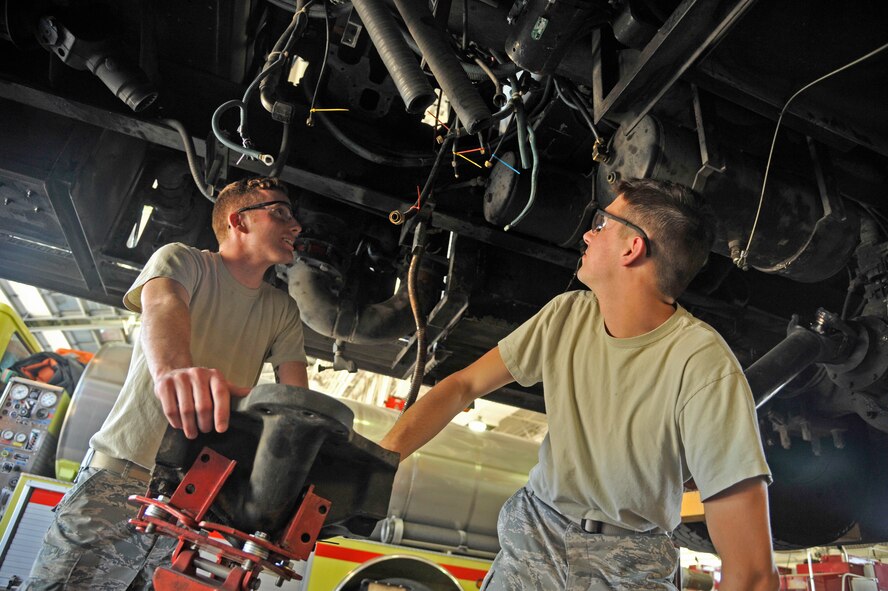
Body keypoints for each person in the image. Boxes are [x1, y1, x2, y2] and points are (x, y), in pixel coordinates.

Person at [379, 178, 779, 591]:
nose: (588, 233)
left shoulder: (704, 366)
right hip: (535, 535)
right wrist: (376, 463)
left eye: (602, 224)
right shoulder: (567, 316)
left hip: (628, 567)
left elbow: (752, 573)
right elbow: (462, 385)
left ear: (632, 248)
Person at [25, 176, 309, 590]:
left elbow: (295, 401)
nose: (296, 225)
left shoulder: (282, 310)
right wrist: (174, 371)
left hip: (191, 499)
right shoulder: (183, 260)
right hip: (121, 479)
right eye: (280, 212)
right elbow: (163, 302)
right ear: (238, 221)